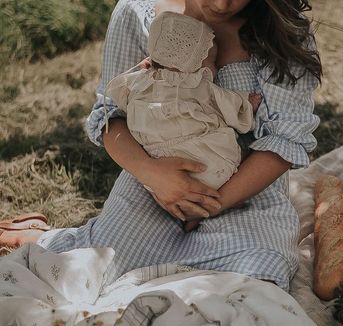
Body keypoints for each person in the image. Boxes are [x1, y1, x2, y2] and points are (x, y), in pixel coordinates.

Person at [0, 0, 322, 291]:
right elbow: (109, 117)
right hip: (154, 185)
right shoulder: (139, 14)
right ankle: (38, 238)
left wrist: (213, 202)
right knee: (99, 278)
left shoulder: (282, 31)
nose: (221, 4)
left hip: (245, 193)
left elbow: (284, 140)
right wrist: (158, 178)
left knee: (247, 283)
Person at [105, 10, 261, 191]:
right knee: (231, 144)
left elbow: (123, 103)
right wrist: (247, 103)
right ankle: (207, 205)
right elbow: (226, 105)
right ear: (192, 64)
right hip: (205, 161)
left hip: (157, 166)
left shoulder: (139, 83)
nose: (215, 68)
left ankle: (184, 209)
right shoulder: (196, 85)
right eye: (211, 62)